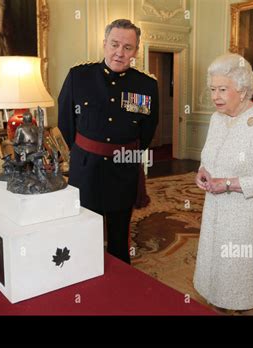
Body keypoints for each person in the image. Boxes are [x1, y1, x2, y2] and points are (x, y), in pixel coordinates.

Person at [58, 19, 159, 264]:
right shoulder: (78, 77)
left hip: (122, 170)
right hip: (86, 168)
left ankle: (121, 281)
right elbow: (65, 122)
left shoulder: (146, 85)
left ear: (135, 51)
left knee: (118, 235)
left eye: (127, 48)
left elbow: (147, 130)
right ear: (104, 44)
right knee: (83, 229)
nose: (120, 53)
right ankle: (82, 271)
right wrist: (84, 152)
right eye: (115, 44)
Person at [193, 53, 253, 314]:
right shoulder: (217, 118)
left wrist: (230, 184)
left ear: (243, 89)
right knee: (215, 274)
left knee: (241, 281)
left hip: (247, 215)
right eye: (213, 89)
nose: (215, 96)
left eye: (223, 89)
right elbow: (208, 156)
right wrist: (202, 171)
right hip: (215, 209)